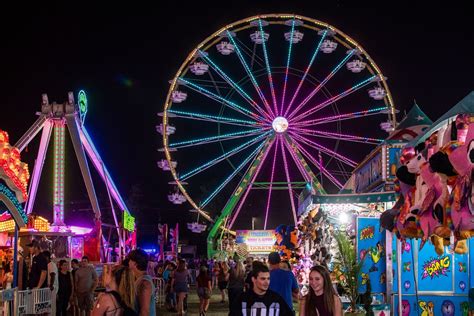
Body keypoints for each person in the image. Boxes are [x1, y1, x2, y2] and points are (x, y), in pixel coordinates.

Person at [127, 249, 156, 316]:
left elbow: (144, 312)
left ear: (135, 264)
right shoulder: (140, 280)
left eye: (130, 260)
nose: (128, 263)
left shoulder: (144, 283)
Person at [44, 251, 58, 315]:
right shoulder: (48, 265)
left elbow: (53, 274)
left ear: (46, 257)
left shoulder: (51, 264)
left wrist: (51, 285)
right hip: (50, 288)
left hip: (52, 288)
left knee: (51, 306)